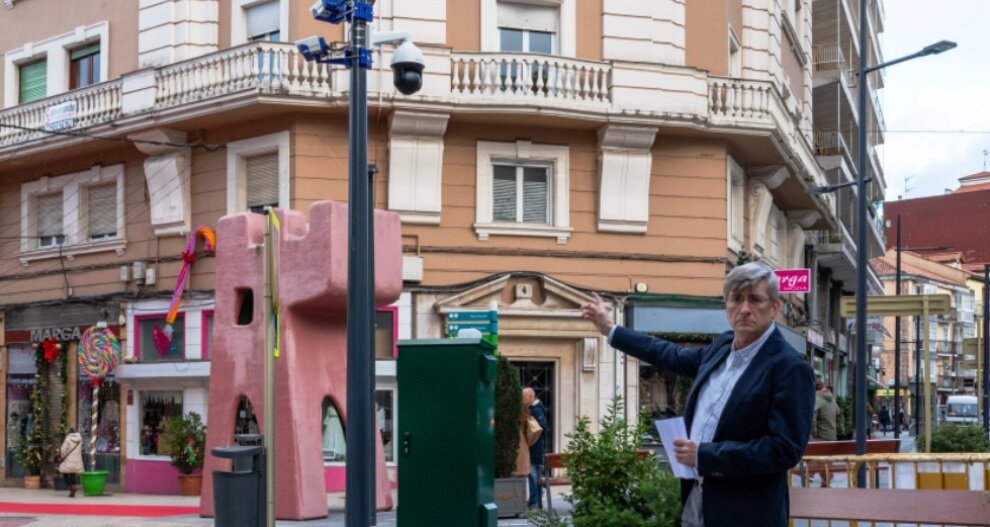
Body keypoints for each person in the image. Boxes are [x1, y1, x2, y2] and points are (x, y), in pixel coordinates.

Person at [580, 262, 815, 527]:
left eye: (755, 300)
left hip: (747, 513)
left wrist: (705, 455)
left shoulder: (789, 368)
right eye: (736, 299)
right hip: (696, 499)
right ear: (726, 306)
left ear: (775, 308)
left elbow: (784, 449)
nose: (745, 309)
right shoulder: (721, 348)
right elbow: (667, 353)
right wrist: (611, 330)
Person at [522, 387, 548, 510]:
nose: (522, 399)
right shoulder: (531, 409)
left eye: (524, 397)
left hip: (535, 449)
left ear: (531, 397)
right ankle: (534, 499)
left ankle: (535, 500)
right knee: (532, 475)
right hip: (532, 449)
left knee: (533, 475)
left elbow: (543, 426)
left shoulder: (536, 410)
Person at [58, 429, 84, 498]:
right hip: (77, 460)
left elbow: (63, 449)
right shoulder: (80, 439)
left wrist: (62, 456)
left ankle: (71, 486)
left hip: (68, 459)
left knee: (65, 474)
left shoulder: (68, 439)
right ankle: (73, 487)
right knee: (73, 474)